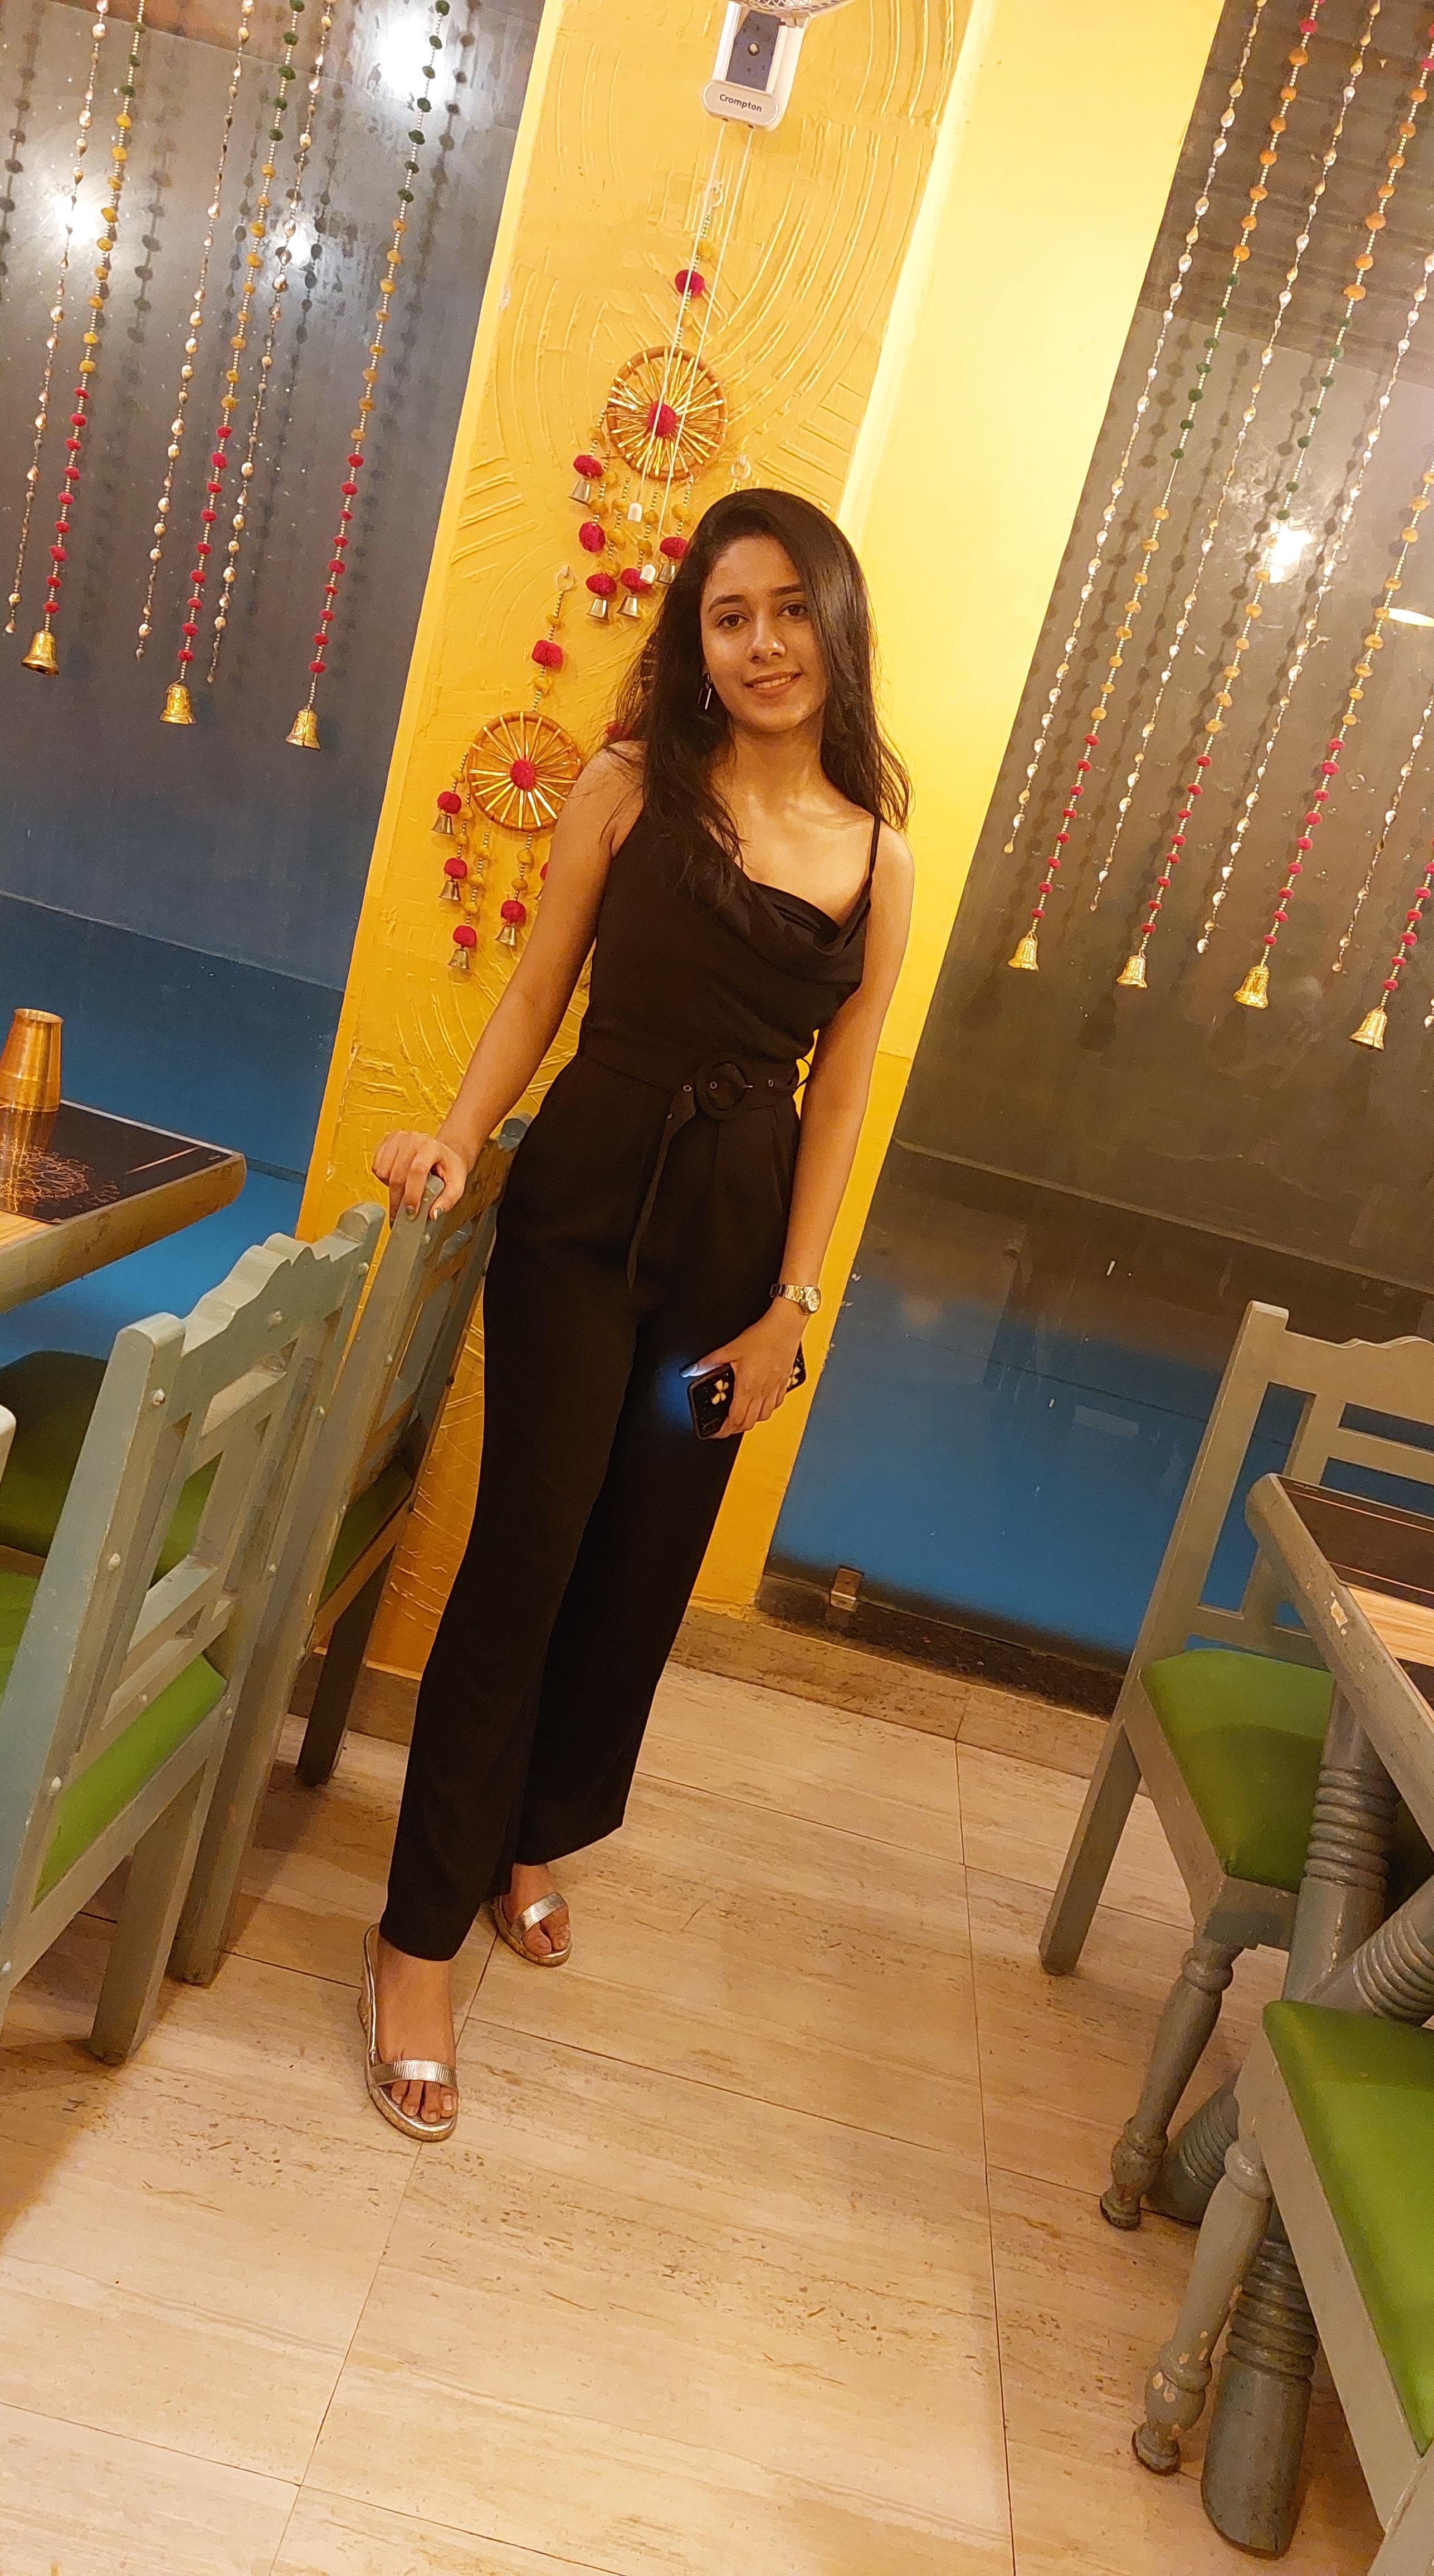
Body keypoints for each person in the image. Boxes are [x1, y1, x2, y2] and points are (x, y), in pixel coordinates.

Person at [358, 486, 913, 2139]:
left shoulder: (879, 859)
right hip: (586, 1213)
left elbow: (838, 1097)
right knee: (528, 1551)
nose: (762, 643)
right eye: (729, 616)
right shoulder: (624, 787)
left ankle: (534, 1834)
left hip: (732, 1260)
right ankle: (411, 1945)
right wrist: (460, 1137)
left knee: (642, 1559)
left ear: (835, 623)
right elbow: (537, 988)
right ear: (696, 642)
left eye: (789, 609)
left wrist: (789, 1307)